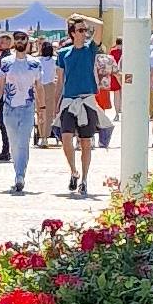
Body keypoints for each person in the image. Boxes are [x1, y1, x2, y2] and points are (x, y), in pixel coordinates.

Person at [57, 16, 102, 195]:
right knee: (66, 137)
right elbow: (60, 80)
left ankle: (84, 179)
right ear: (72, 33)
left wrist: (82, 18)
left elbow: (100, 25)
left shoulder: (90, 49)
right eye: (81, 30)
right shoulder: (63, 53)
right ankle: (73, 171)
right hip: (69, 100)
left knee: (85, 142)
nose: (85, 33)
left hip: (87, 100)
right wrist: (56, 104)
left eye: (85, 30)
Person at [0, 29, 42, 193]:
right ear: (14, 42)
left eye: (23, 39)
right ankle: (18, 171)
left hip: (27, 108)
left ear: (27, 42)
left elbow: (39, 87)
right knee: (14, 144)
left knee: (23, 143)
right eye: (17, 39)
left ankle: (20, 175)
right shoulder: (6, 62)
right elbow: (1, 84)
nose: (20, 41)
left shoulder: (35, 63)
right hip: (9, 107)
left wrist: (42, 108)